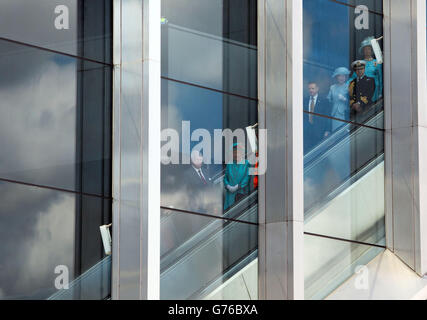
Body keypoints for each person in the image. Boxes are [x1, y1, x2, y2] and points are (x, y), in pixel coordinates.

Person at [349, 36, 383, 102]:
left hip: (374, 89)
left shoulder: (377, 62)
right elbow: (354, 77)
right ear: (363, 51)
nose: (367, 51)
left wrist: (380, 93)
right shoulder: (360, 63)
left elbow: (380, 78)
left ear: (372, 50)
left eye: (369, 49)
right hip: (362, 90)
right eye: (365, 49)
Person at [303, 82, 332, 153]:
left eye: (312, 88)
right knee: (307, 151)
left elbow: (328, 116)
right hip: (307, 132)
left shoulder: (324, 101)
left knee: (319, 151)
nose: (311, 90)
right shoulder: (304, 100)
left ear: (317, 89)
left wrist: (327, 130)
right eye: (309, 88)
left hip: (319, 131)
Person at [224, 143, 250, 211]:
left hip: (241, 192)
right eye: (234, 152)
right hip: (230, 194)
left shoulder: (246, 163)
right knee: (228, 213)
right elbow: (225, 177)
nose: (236, 154)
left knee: (239, 212)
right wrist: (228, 186)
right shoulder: (229, 164)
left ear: (242, 153)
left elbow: (247, 177)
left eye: (238, 152)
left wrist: (237, 186)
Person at [327, 67, 351, 131]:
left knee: (342, 131)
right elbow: (328, 99)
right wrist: (330, 100)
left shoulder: (348, 87)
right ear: (337, 77)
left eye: (343, 76)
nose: (341, 78)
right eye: (340, 76)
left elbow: (351, 102)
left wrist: (344, 99)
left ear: (345, 77)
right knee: (334, 130)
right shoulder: (332, 87)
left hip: (344, 113)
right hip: (334, 113)